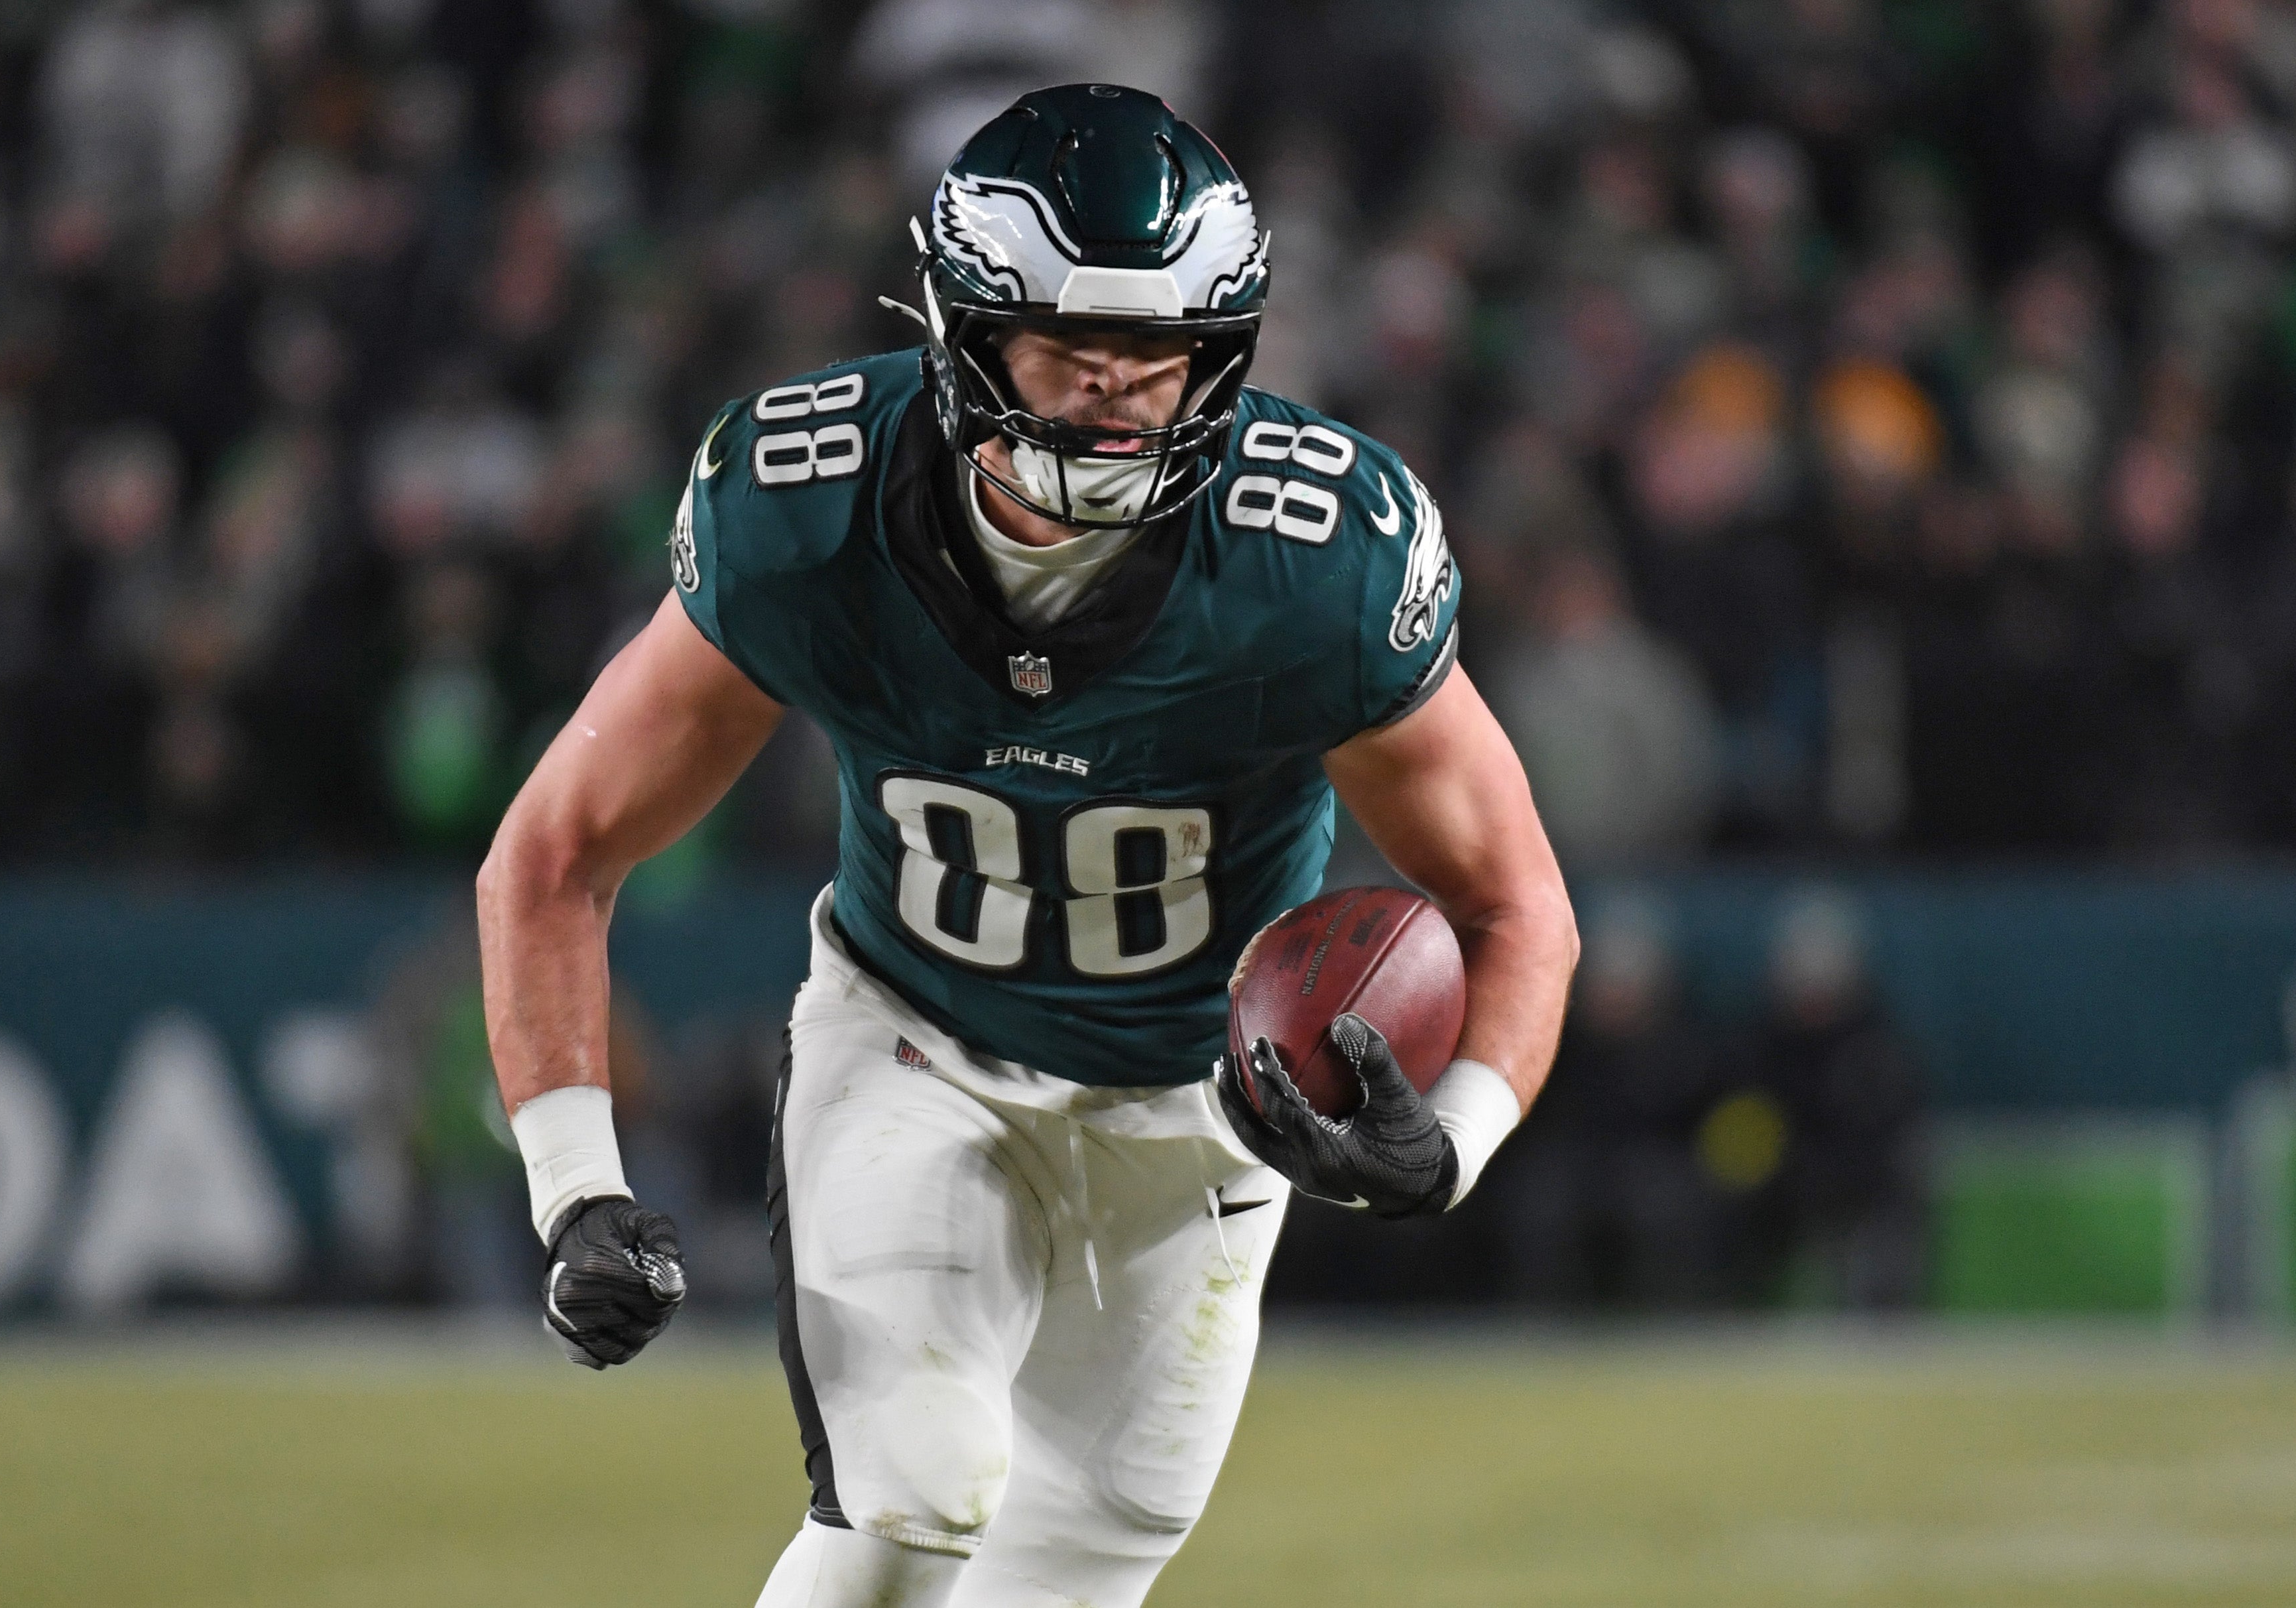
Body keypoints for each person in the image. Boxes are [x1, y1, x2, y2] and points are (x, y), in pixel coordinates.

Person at [476, 85, 1577, 1608]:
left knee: (1078, 1564)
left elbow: (1514, 899)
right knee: (916, 1496)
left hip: (1202, 1103)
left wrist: (1451, 1135)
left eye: (1158, 359)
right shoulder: (806, 511)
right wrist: (575, 1188)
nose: (1116, 396)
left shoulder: (1316, 561)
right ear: (965, 336)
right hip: (916, 1039)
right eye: (1070, 351)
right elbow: (556, 850)